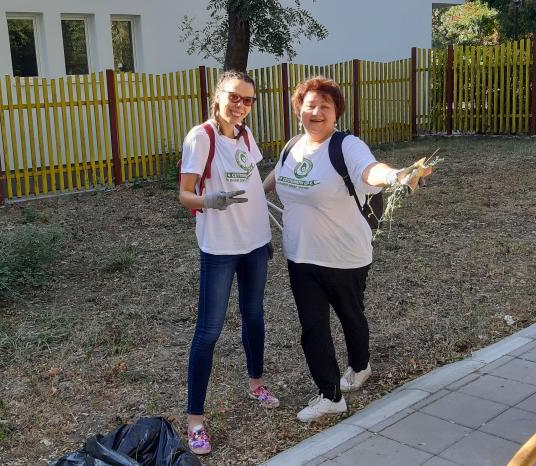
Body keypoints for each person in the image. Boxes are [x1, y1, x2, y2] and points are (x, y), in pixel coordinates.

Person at [263, 76, 420, 423]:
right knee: (313, 327)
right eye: (309, 105)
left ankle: (360, 366)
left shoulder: (347, 146)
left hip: (344, 256)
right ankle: (330, 395)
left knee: (351, 315)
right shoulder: (292, 147)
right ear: (298, 110)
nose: (316, 112)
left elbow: (370, 171)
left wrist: (395, 175)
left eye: (325, 106)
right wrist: (254, 193)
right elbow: (275, 179)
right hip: (300, 257)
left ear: (336, 113)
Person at [177, 70, 279, 454]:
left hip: (255, 243)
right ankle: (196, 421)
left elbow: (254, 183)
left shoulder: (246, 137)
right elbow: (184, 195)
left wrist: (281, 176)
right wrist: (209, 201)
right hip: (220, 248)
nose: (241, 106)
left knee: (254, 315)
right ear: (217, 96)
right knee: (209, 332)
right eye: (234, 97)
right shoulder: (200, 137)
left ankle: (256, 383)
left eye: (248, 100)